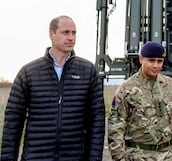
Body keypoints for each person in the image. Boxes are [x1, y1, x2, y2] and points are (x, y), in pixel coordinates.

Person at [1, 15, 105, 161]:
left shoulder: (88, 71)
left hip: (74, 156)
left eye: (74, 33)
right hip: (36, 156)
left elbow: (97, 121)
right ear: (52, 33)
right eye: (65, 32)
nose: (71, 38)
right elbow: (13, 121)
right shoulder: (29, 72)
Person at [108, 41, 172, 161]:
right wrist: (119, 157)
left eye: (160, 61)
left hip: (168, 155)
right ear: (141, 59)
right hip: (138, 156)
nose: (156, 65)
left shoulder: (171, 86)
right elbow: (115, 127)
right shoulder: (126, 89)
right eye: (151, 60)